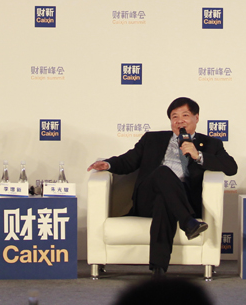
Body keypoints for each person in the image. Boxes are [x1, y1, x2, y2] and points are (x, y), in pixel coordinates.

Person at [87, 97, 238, 276]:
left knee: (164, 201)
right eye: (174, 117)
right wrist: (108, 164)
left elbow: (231, 168)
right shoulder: (152, 139)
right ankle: (187, 221)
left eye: (185, 115)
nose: (179, 121)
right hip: (147, 197)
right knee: (163, 172)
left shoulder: (211, 144)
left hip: (181, 199)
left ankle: (158, 270)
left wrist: (198, 155)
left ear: (196, 118)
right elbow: (129, 160)